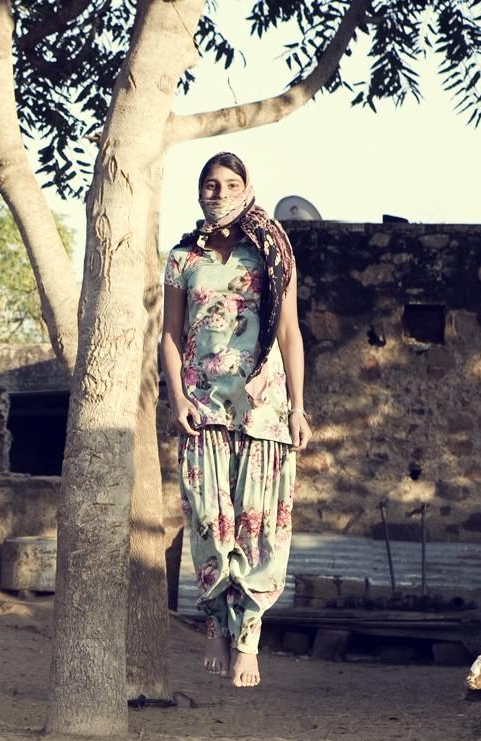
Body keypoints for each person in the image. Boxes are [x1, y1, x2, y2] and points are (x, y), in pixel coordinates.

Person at [160, 152, 312, 688]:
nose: (218, 192)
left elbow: (290, 332)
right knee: (207, 517)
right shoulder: (183, 256)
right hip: (203, 405)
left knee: (259, 524)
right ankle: (214, 622)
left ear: (247, 187)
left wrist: (297, 406)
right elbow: (171, 336)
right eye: (209, 184)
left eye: (229, 184)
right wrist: (176, 397)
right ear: (199, 191)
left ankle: (247, 634)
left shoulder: (271, 249)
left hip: (263, 406)